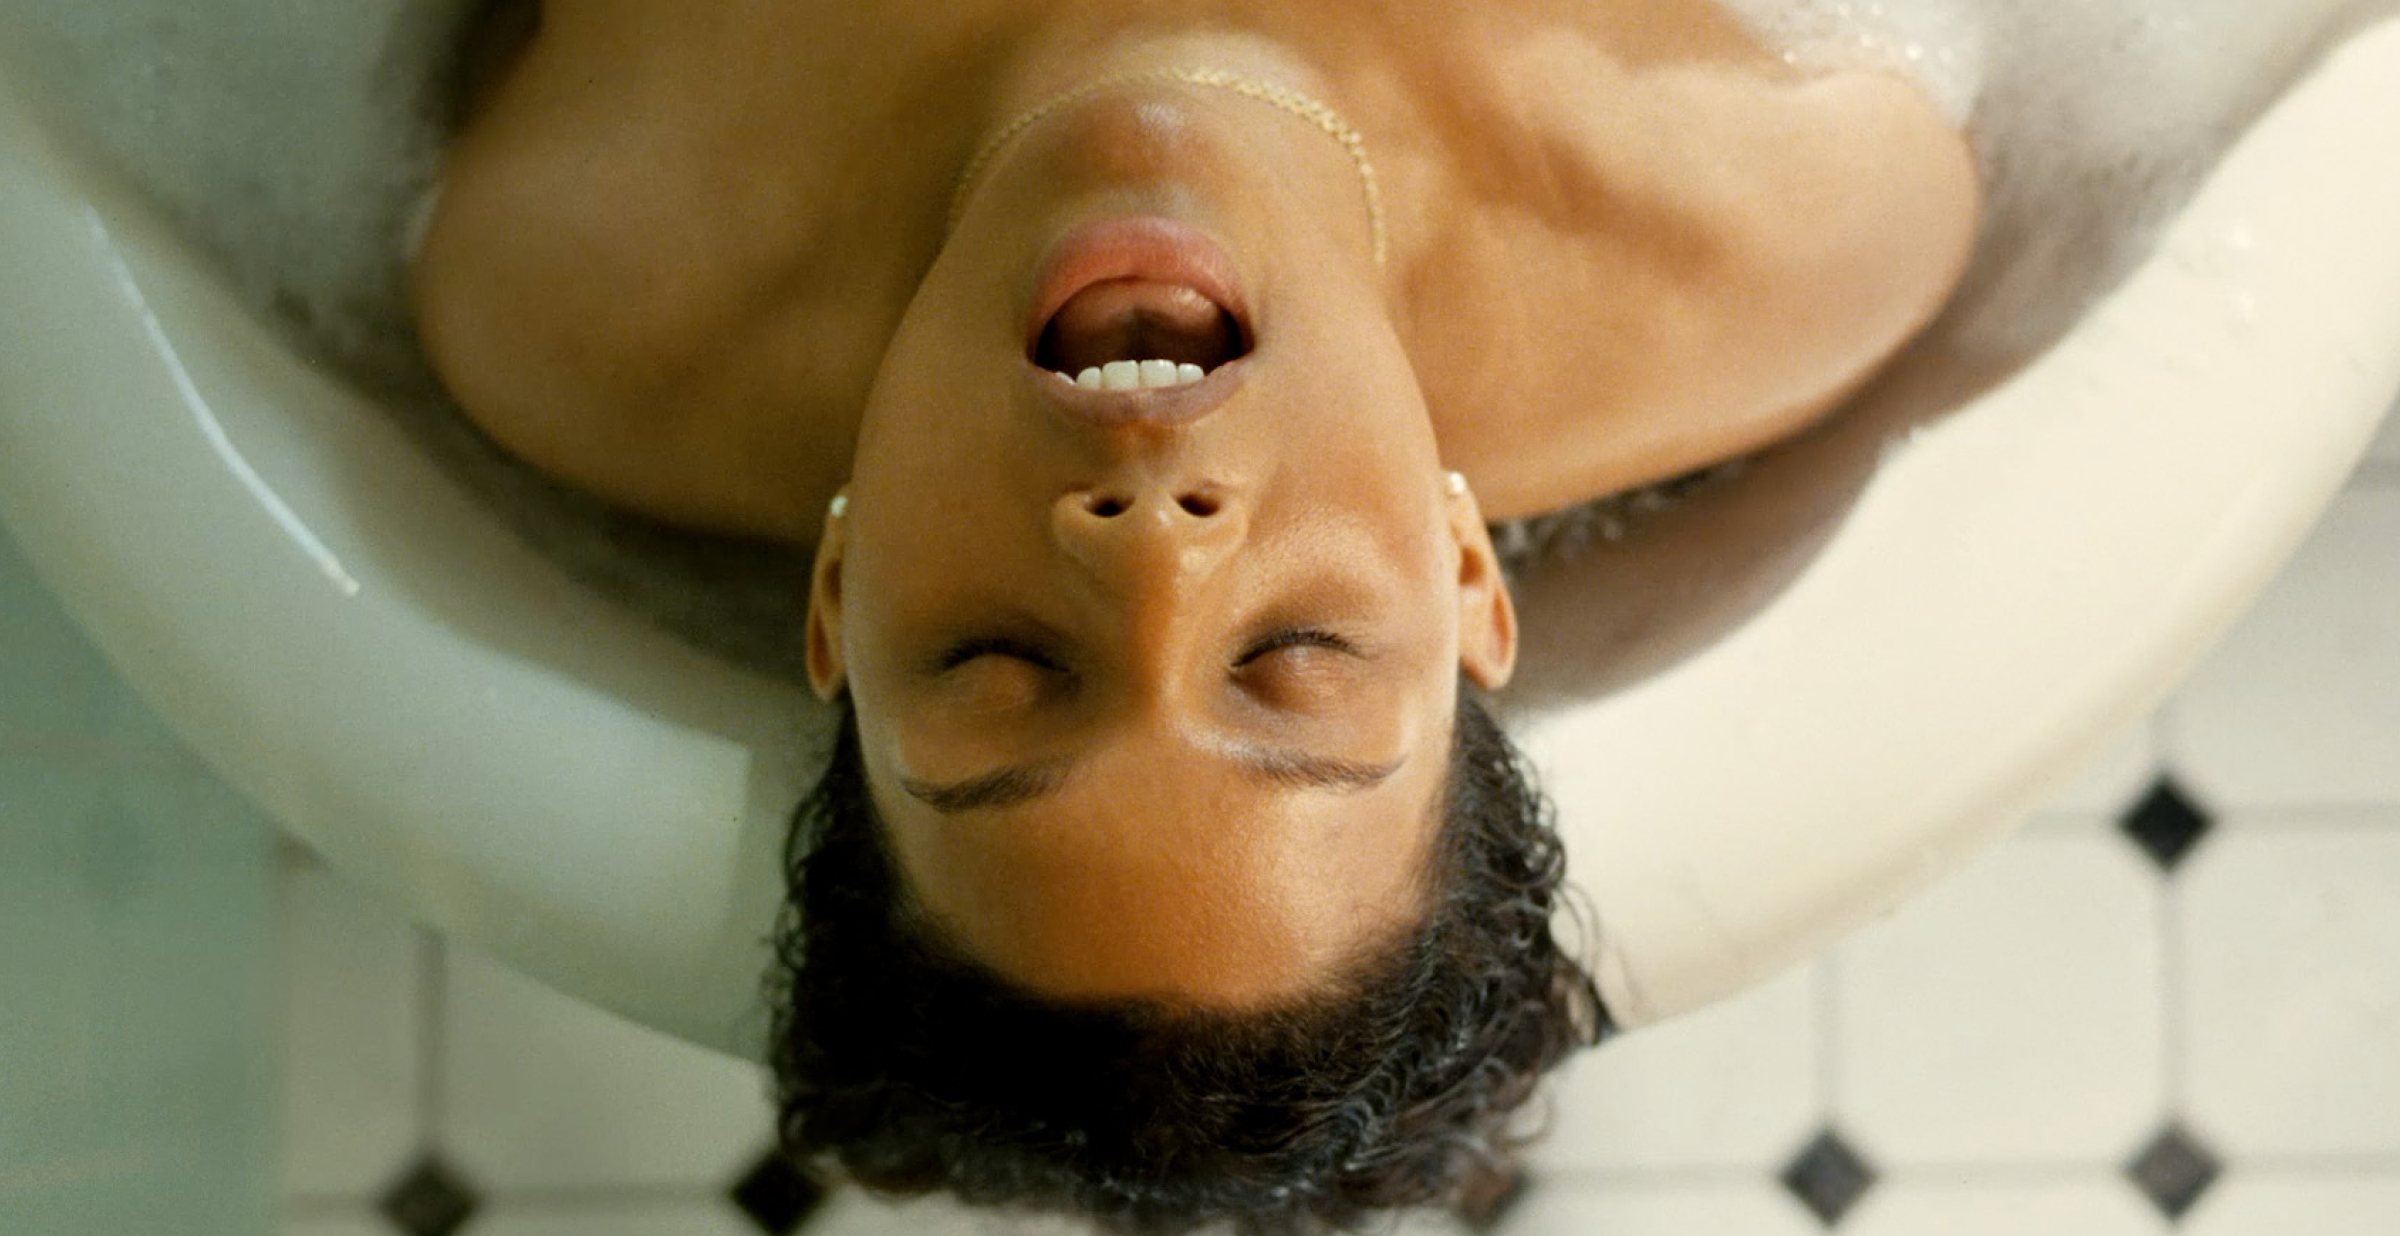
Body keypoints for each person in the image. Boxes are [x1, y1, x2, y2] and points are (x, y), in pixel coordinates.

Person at [408, 0, 1980, 1229]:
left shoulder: (583, 282)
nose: (1153, 551)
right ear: (1463, 573)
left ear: (837, 589)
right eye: (1292, 658)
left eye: (1006, 663)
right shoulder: (1782, 218)